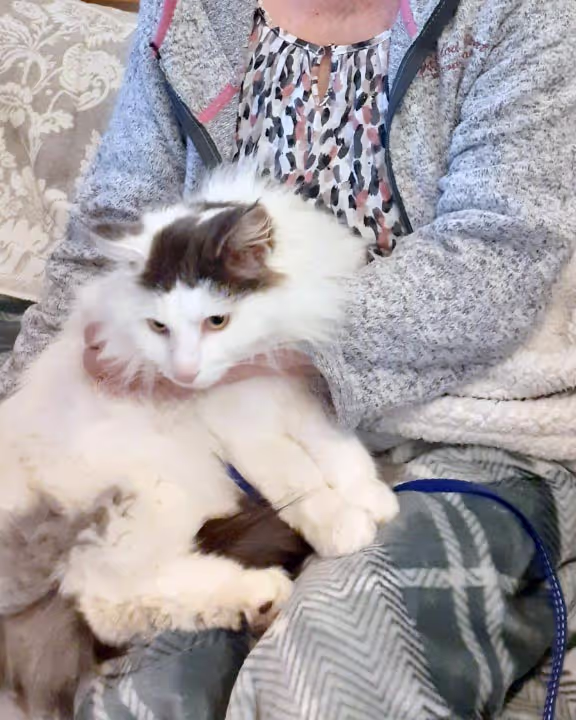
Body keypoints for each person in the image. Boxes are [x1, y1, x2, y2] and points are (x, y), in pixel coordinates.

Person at [2, 0, 576, 717]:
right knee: (143, 690)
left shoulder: (521, 14)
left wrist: (277, 342)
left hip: (463, 425)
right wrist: (21, 429)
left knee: (338, 665)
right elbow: (108, 236)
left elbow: (500, 258)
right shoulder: (186, 13)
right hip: (219, 420)